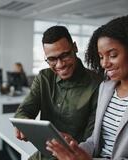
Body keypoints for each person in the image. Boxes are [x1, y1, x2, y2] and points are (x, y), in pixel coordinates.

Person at [46, 13, 128, 160]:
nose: (104, 64)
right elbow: (95, 142)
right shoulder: (106, 87)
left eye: (112, 55)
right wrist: (75, 149)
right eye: (101, 56)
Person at [14, 26, 102, 160]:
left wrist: (73, 143)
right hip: (44, 154)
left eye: (65, 55)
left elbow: (92, 141)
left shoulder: (97, 85)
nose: (60, 64)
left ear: (75, 47)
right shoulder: (44, 77)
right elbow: (23, 111)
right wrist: (23, 125)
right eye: (52, 59)